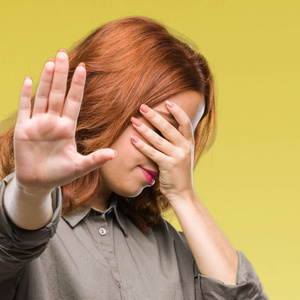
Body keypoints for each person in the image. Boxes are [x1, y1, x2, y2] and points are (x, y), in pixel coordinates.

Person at [0, 16, 268, 299]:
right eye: (159, 128)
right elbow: (11, 241)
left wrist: (184, 195)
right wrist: (31, 191)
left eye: (180, 140)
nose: (167, 155)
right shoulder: (25, 218)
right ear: (107, 101)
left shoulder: (171, 249)